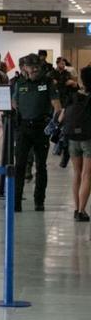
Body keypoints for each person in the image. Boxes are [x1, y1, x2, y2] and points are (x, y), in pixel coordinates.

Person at [12, 54, 62, 212]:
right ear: (24, 68)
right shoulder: (20, 83)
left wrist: (53, 124)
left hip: (42, 128)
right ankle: (16, 201)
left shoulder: (47, 83)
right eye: (30, 66)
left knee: (41, 166)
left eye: (36, 67)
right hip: (24, 128)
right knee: (19, 166)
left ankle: (39, 201)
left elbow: (57, 106)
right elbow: (14, 103)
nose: (34, 69)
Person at [60, 65, 91, 222]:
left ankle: (76, 208)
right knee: (87, 175)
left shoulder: (72, 95)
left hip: (72, 139)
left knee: (77, 173)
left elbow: (61, 118)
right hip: (88, 139)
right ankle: (82, 211)